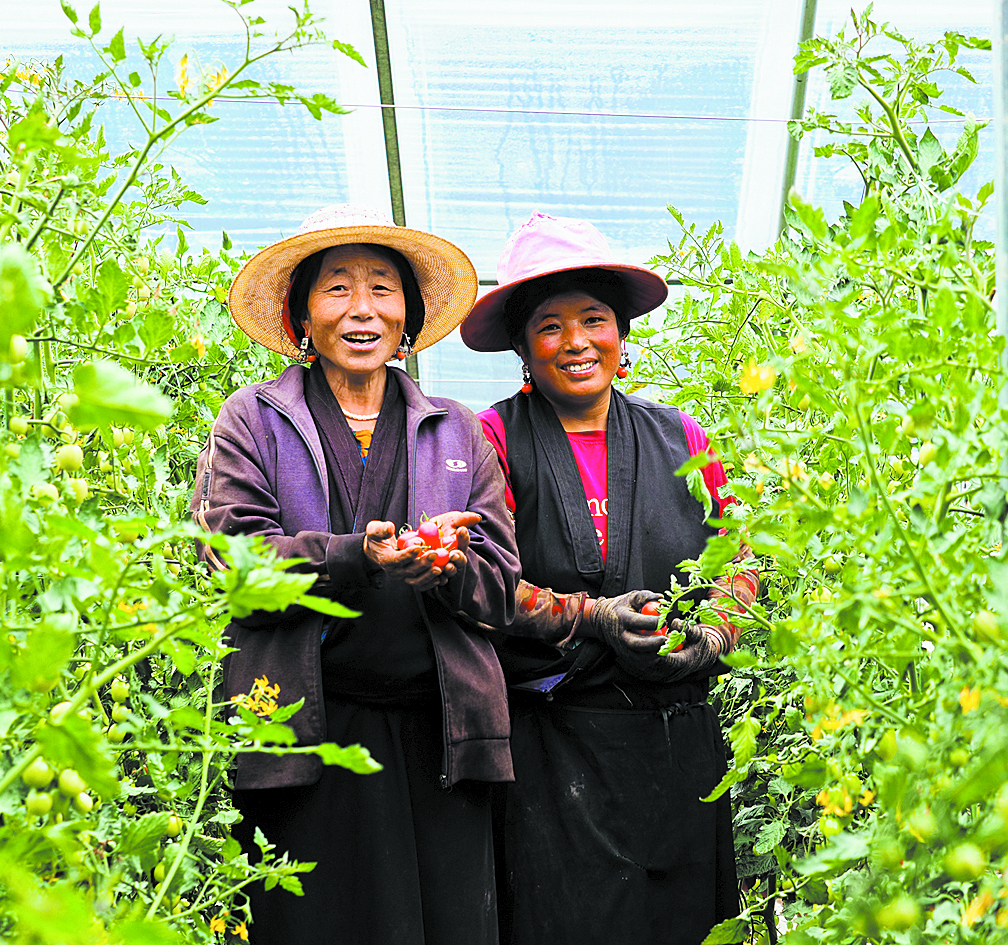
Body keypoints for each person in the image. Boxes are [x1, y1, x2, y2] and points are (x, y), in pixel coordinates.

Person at [190, 204, 521, 945]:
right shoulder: (253, 420)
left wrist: (447, 567)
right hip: (303, 739)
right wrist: (353, 556)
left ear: (409, 317)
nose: (362, 309)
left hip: (441, 738)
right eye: (337, 287)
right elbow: (234, 563)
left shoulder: (458, 429)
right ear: (302, 315)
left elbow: (500, 587)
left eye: (382, 288)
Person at [460, 212, 757, 945]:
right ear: (523, 349)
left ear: (622, 335)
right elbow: (483, 585)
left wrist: (714, 633)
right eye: (550, 326)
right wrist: (593, 616)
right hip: (555, 746)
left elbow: (742, 560)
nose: (576, 341)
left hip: (678, 747)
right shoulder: (493, 440)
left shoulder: (683, 436)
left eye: (594, 319)